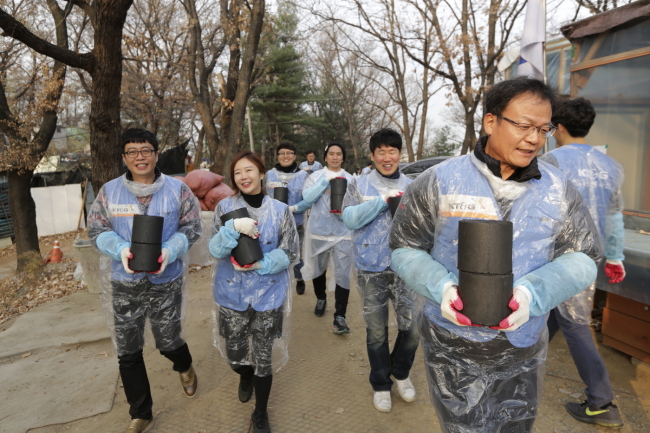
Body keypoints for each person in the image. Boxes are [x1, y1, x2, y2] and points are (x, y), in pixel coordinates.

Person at [389, 77, 602, 433]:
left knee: (515, 426)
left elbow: (583, 257)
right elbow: (405, 247)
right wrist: (440, 288)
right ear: (491, 122)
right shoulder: (438, 181)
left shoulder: (558, 189)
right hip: (453, 344)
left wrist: (534, 293)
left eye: (543, 129)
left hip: (522, 346)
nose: (534, 138)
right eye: (523, 126)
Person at [88, 128, 202, 433]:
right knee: (128, 350)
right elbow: (96, 230)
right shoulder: (109, 192)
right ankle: (141, 412)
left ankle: (184, 365)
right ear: (124, 157)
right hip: (125, 282)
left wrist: (171, 249)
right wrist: (120, 248)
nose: (140, 157)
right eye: (132, 151)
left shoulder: (178, 190)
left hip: (166, 280)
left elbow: (192, 227)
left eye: (146, 150)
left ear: (156, 153)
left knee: (168, 341)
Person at [541, 97, 625, 428]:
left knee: (574, 323)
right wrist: (615, 257)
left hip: (558, 257)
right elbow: (615, 217)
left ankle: (601, 402)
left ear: (557, 128)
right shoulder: (611, 166)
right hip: (590, 259)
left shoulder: (550, 162)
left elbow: (540, 214)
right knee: (549, 314)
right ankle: (512, 363)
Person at [209, 151, 299, 433]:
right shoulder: (224, 208)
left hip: (269, 293)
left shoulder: (280, 211)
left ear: (262, 174)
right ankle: (243, 374)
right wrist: (233, 228)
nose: (244, 177)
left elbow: (291, 251)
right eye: (237, 172)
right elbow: (215, 249)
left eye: (249, 170)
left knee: (263, 357)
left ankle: (260, 413)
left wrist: (262, 263)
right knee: (235, 354)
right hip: (231, 294)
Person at [342, 128, 419, 413]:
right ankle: (381, 384)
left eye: (392, 151)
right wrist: (382, 201)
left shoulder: (413, 185)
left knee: (411, 328)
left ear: (400, 154)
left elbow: (423, 227)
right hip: (369, 267)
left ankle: (400, 373)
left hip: (406, 267)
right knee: (376, 332)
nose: (387, 157)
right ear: (372, 155)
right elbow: (349, 218)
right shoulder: (358, 184)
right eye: (381, 152)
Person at [301, 142, 355, 334]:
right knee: (319, 269)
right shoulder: (315, 177)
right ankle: (321, 297)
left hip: (343, 234)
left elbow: (355, 204)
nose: (334, 157)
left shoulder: (350, 179)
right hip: (319, 231)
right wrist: (326, 181)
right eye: (331, 154)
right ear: (325, 157)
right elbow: (307, 198)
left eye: (338, 154)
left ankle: (340, 316)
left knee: (343, 273)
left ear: (343, 157)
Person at [265, 142, 310, 295]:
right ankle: (276, 284)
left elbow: (309, 199)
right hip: (273, 224)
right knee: (275, 253)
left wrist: (295, 208)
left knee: (295, 255)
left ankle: (299, 278)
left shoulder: (303, 176)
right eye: (282, 153)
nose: (286, 156)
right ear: (277, 156)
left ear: (295, 156)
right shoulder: (269, 174)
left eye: (289, 153)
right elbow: (263, 196)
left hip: (296, 223)